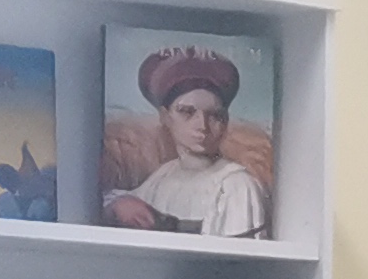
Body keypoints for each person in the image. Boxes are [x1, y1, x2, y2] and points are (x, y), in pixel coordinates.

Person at [102, 46, 270, 238]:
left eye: (215, 115)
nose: (202, 126)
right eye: (187, 112)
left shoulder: (235, 185)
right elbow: (114, 201)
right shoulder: (164, 177)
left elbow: (234, 254)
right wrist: (119, 204)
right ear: (165, 116)